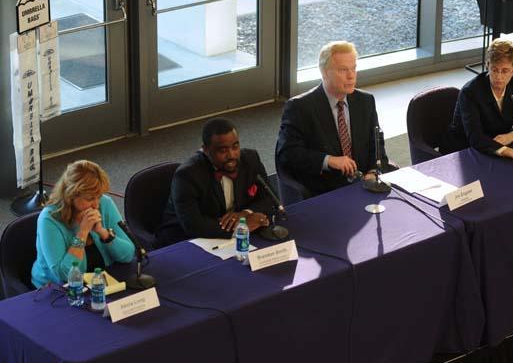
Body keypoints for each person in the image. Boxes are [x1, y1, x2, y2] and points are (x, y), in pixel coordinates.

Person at [276, 41, 390, 196]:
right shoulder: (300, 107)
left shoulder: (365, 101)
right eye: (343, 70)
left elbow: (376, 143)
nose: (351, 76)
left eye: (353, 68)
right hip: (324, 191)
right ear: (324, 72)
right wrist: (328, 160)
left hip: (363, 187)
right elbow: (287, 154)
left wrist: (372, 172)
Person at [156, 118, 273, 247]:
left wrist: (245, 214)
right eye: (223, 150)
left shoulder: (250, 159)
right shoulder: (187, 175)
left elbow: (270, 198)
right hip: (185, 240)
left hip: (229, 239)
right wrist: (240, 227)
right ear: (205, 150)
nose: (231, 155)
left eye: (235, 146)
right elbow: (193, 225)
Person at [31, 160, 135, 288]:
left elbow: (128, 255)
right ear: (70, 195)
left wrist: (103, 233)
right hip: (56, 290)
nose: (96, 204)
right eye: (90, 199)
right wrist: (83, 233)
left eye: (99, 196)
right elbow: (64, 274)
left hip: (101, 281)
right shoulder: (49, 219)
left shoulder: (104, 203)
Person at [446, 38, 513, 164]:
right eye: (494, 69)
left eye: (505, 71)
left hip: (496, 147)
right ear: (487, 65)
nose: (499, 77)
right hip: (466, 151)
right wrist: (511, 152)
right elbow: (475, 138)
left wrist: (512, 136)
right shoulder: (470, 92)